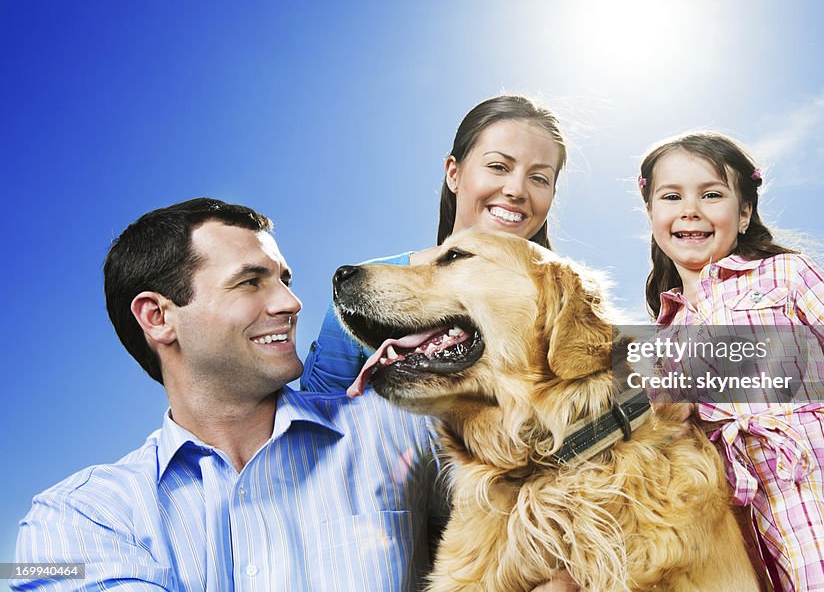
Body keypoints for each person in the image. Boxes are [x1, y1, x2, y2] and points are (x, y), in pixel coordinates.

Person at [14, 198, 444, 591]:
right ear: (158, 317)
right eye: (250, 282)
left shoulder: (404, 430)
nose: (292, 303)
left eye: (284, 280)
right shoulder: (75, 520)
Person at [636, 133, 824, 591]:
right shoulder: (666, 335)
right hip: (743, 529)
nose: (690, 208)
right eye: (672, 196)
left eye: (712, 194)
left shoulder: (785, 274)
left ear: (743, 214)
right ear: (652, 214)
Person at [302, 94, 568, 394]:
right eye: (498, 166)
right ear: (454, 174)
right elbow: (316, 415)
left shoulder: (571, 299)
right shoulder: (363, 287)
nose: (517, 190)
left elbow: (629, 386)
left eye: (539, 178)